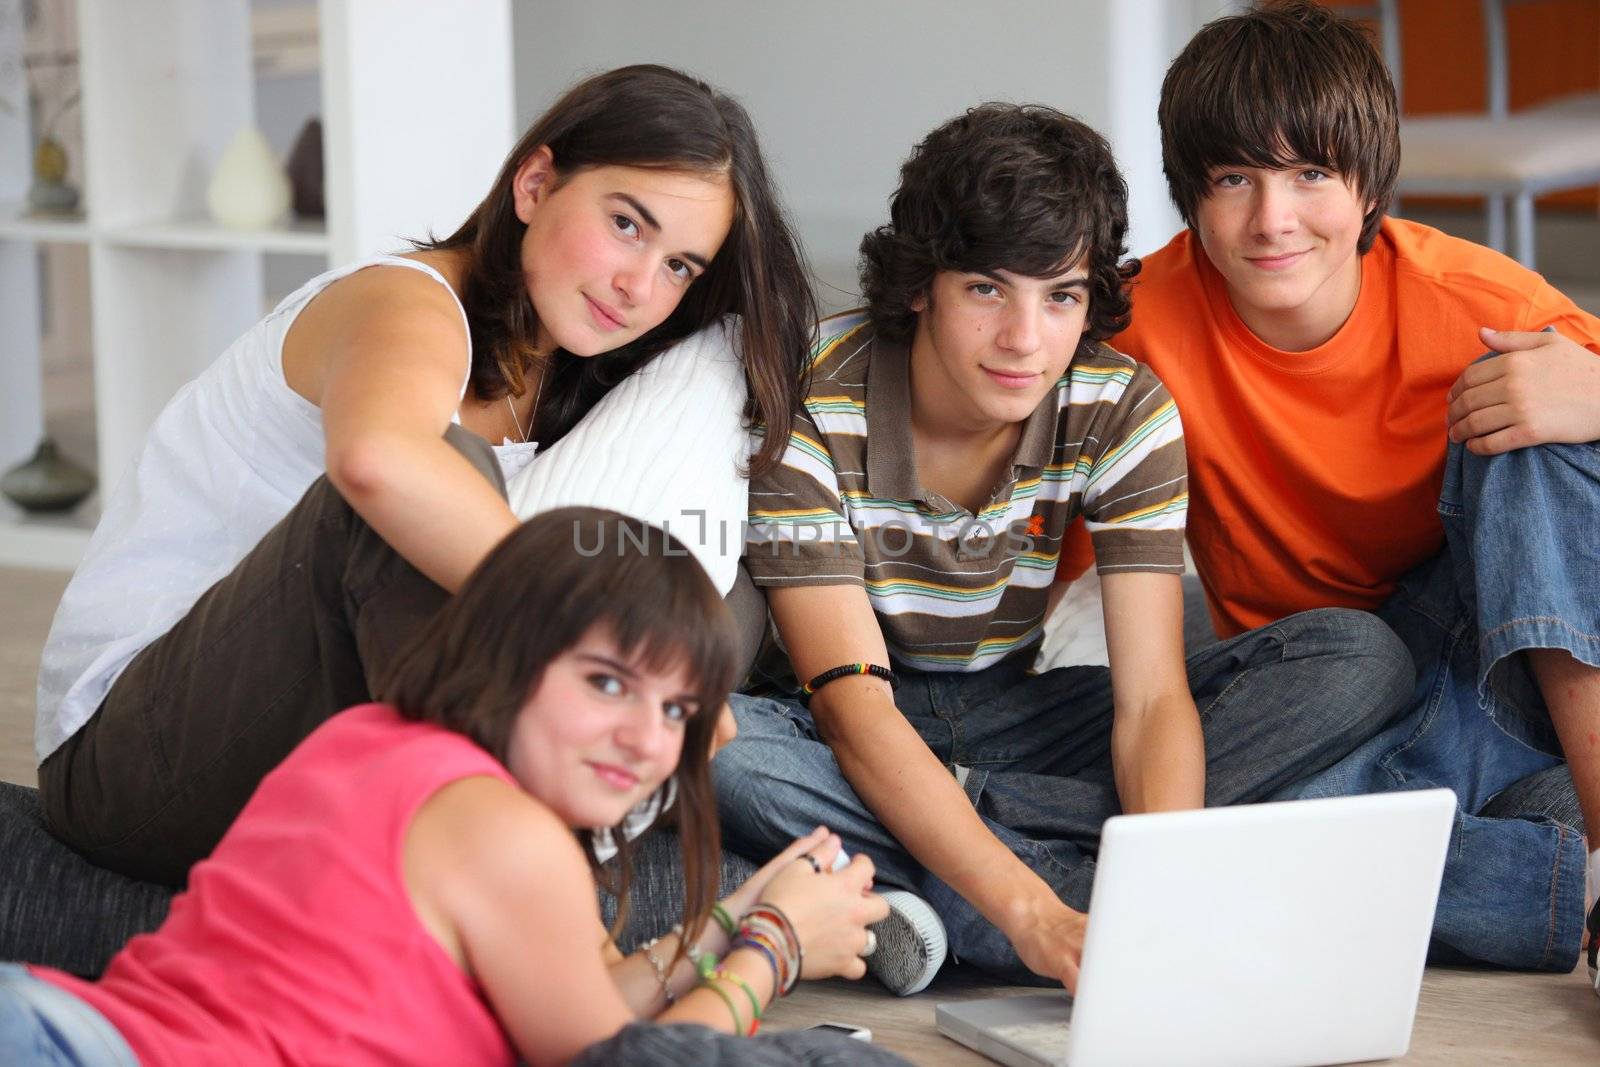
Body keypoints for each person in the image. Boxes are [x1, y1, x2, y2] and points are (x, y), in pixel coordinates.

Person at [33, 64, 815, 887]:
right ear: (536, 183)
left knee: (710, 592)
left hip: (313, 755)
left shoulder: (573, 368)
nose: (639, 286)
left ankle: (533, 869)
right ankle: (528, 880)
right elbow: (375, 464)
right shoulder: (403, 304)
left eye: (680, 267)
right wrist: (625, 639)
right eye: (626, 224)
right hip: (136, 758)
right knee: (443, 489)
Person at [713, 103, 1414, 994]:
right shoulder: (811, 400)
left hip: (1018, 714)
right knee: (715, 745)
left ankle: (936, 875)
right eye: (986, 289)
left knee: (1356, 656)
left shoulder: (1120, 406)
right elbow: (857, 714)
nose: (1025, 339)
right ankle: (1012, 893)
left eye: (1062, 297)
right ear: (923, 282)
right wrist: (1034, 913)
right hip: (842, 715)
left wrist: (1159, 887)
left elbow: (1153, 696)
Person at [1059, 0, 1600, 978]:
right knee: (1294, 836)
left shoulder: (1479, 305)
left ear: (1367, 187)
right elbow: (1032, 548)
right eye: (1234, 179)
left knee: (1529, 421)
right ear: (1189, 192)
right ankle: (1532, 865)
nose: (1273, 220)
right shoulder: (1135, 329)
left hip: (1499, 662)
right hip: (1320, 687)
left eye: (1310, 173)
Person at [1, 509, 903, 1067]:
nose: (644, 738)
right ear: (510, 654)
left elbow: (583, 1003)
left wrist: (731, 918)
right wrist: (776, 945)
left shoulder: (371, 739)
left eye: (678, 710)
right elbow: (630, 1062)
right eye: (605, 682)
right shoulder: (502, 829)